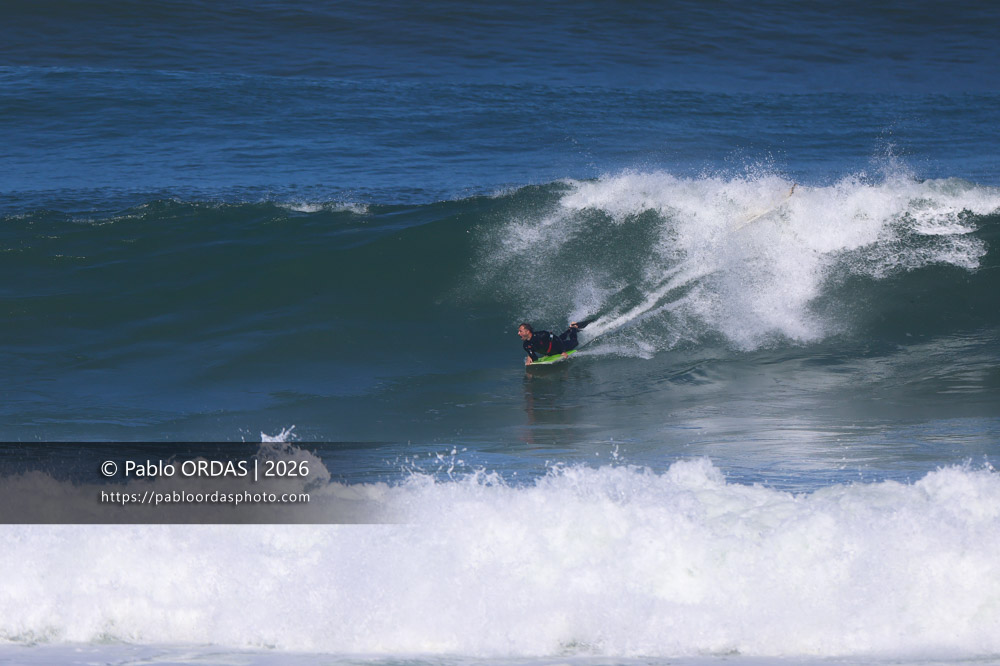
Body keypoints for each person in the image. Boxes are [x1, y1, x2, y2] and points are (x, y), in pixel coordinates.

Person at [518, 318, 594, 365]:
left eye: (520, 331)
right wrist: (530, 356)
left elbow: (556, 338)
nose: (518, 333)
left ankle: (573, 328)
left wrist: (563, 351)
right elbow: (535, 358)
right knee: (558, 338)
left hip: (559, 347)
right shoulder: (526, 345)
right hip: (551, 349)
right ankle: (569, 330)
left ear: (527, 331)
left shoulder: (541, 335)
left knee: (574, 342)